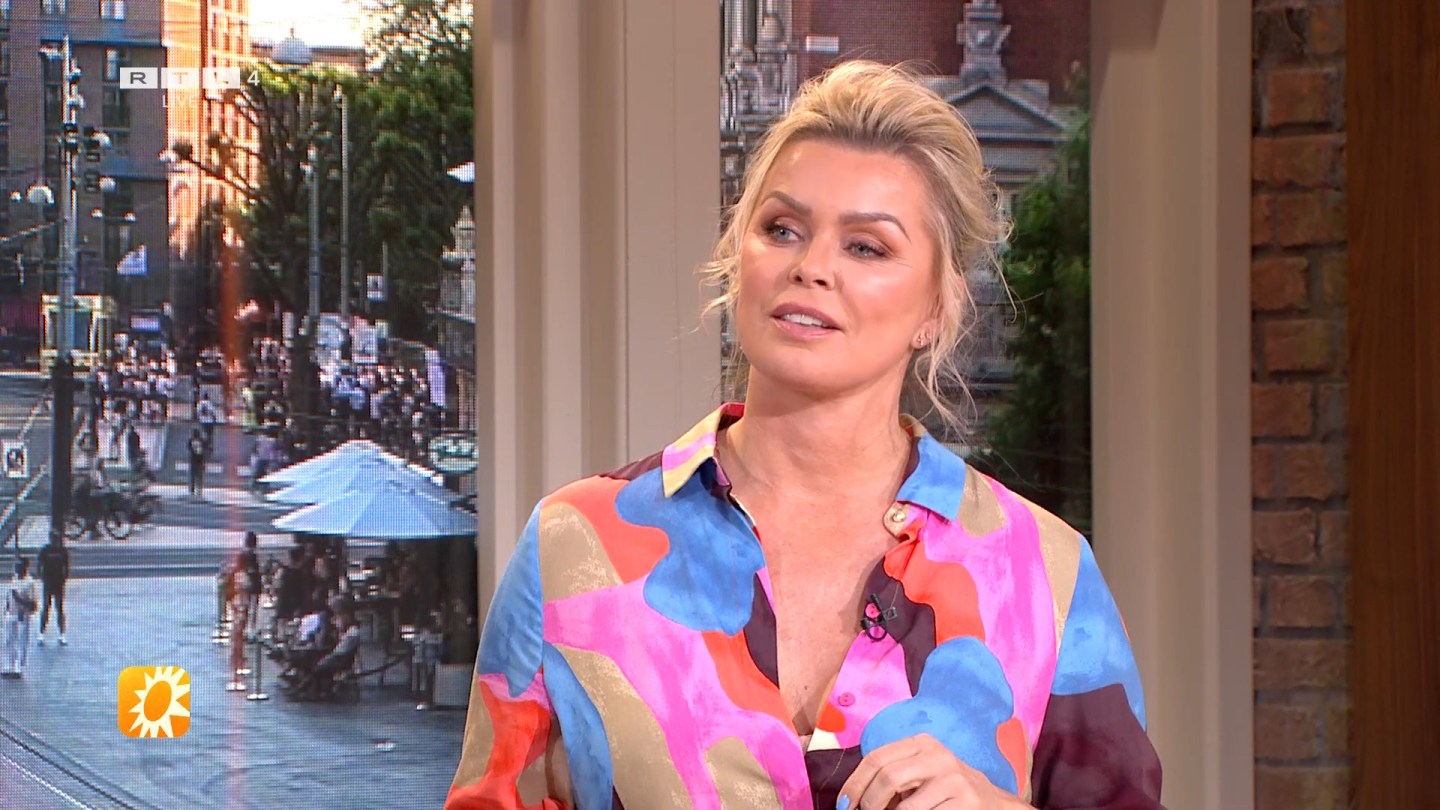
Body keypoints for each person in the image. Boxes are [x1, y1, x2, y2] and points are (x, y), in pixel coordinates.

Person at [447, 62, 1162, 809]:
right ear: (739, 257)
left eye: (866, 246)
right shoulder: (573, 545)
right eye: (782, 230)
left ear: (936, 308)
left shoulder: (1044, 573)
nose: (811, 267)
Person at [229, 531, 263, 675]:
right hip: (249, 588)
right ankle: (242, 644)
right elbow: (252, 572)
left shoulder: (244, 555)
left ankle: (243, 639)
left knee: (246, 614)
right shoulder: (249, 556)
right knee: (247, 613)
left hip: (246, 589)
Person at [2, 557, 37, 677]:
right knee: (9, 639)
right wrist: (7, 608)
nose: (17, 569)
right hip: (11, 612)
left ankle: (19, 667)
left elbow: (32, 602)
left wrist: (19, 601)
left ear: (25, 568)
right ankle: (9, 665)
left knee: (22, 640)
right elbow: (9, 595)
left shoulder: (29, 582)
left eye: (20, 566)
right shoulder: (14, 578)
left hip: (22, 614)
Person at [36, 530, 70, 645]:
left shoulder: (63, 551)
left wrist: (64, 579)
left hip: (58, 583)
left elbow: (66, 567)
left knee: (59, 608)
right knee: (46, 607)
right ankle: (41, 634)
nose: (54, 541)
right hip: (48, 583)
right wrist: (43, 578)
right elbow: (39, 566)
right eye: (53, 538)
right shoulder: (45, 550)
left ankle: (62, 635)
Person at [187, 427, 208, 497]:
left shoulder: (191, 440)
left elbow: (188, 447)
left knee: (192, 476)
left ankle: (192, 490)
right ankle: (199, 490)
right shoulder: (202, 441)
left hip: (193, 461)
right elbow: (205, 448)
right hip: (200, 461)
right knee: (199, 476)